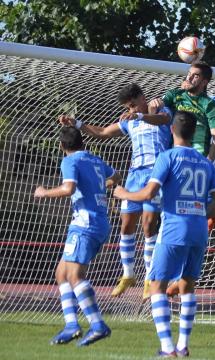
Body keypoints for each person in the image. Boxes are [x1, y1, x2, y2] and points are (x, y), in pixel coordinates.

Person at [114, 111, 215, 357]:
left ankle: (167, 348)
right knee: (187, 287)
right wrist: (199, 212)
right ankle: (183, 346)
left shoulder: (167, 157)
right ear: (195, 132)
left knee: (157, 285)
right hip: (198, 231)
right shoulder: (205, 162)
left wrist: (123, 194)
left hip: (174, 228)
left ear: (173, 130)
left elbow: (147, 194)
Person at [59, 83, 172, 299]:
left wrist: (141, 116)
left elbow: (163, 120)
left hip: (155, 174)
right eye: (129, 108)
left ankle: (149, 277)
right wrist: (78, 124)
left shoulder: (160, 110)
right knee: (126, 224)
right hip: (134, 175)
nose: (132, 110)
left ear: (142, 97)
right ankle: (128, 274)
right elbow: (102, 132)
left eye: (134, 105)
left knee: (149, 225)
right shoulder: (130, 121)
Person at [35, 126, 121, 346]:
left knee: (75, 276)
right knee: (62, 273)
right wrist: (98, 188)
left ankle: (98, 325)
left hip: (86, 224)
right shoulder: (94, 160)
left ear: (63, 146)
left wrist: (44, 192)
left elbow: (68, 188)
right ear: (82, 142)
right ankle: (72, 325)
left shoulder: (69, 161)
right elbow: (117, 177)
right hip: (96, 223)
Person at [152, 61, 215, 162]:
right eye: (189, 74)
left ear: (204, 82)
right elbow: (156, 110)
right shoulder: (174, 95)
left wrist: (209, 161)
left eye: (195, 76)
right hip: (174, 154)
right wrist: (153, 105)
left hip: (197, 157)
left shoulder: (210, 104)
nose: (189, 78)